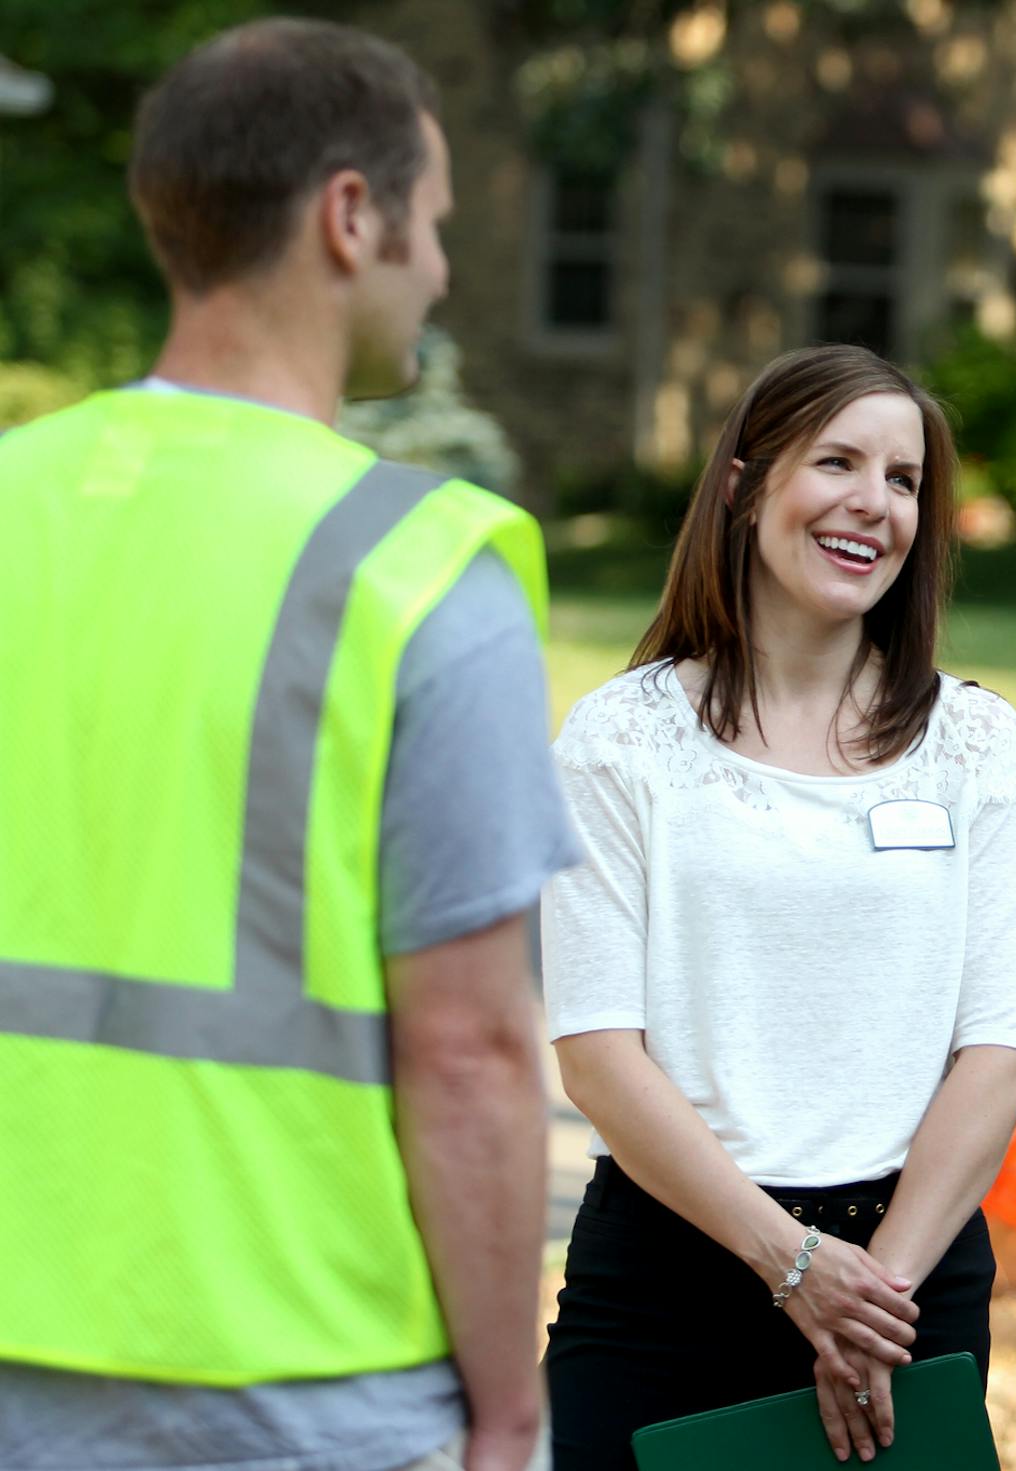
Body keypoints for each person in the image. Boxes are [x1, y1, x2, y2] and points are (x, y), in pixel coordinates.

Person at [0, 20, 580, 1471]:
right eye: (435, 222)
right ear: (350, 216)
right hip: (303, 1369)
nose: (441, 267)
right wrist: (510, 1409)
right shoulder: (423, 571)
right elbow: (472, 1047)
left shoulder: (15, 498)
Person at [541, 343, 1016, 1468]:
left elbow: (1003, 1044)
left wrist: (873, 1298)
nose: (875, 502)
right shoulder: (620, 740)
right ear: (743, 486)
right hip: (671, 1281)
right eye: (838, 462)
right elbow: (596, 1051)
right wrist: (794, 1267)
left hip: (907, 1285)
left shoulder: (976, 745)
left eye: (905, 479)